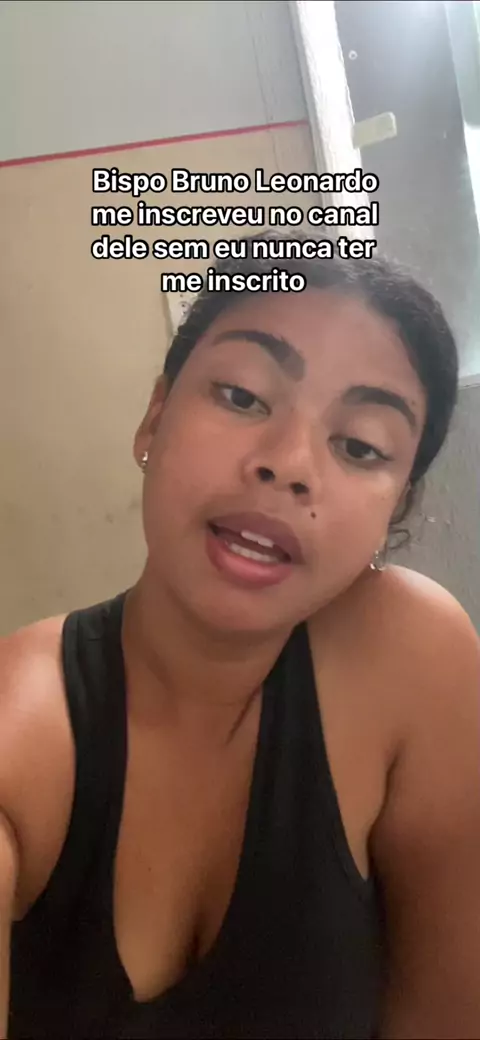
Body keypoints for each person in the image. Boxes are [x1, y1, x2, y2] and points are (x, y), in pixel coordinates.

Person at [1, 232, 479, 1040]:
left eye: (360, 446)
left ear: (394, 511)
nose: (289, 463)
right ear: (155, 417)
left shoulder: (409, 659)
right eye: (243, 396)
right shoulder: (22, 732)